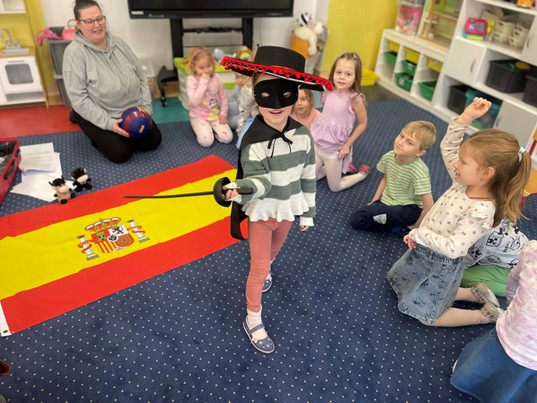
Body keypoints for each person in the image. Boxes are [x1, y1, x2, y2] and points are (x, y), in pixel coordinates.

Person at [220, 46, 332, 354]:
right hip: (262, 213)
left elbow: (308, 176)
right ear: (255, 92)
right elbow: (259, 180)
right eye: (266, 93)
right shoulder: (253, 141)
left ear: (296, 94)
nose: (276, 104)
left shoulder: (304, 137)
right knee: (258, 269)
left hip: (288, 211)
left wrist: (307, 213)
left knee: (273, 253)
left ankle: (268, 266)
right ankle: (253, 318)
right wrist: (239, 188)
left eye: (285, 93)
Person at [387, 97, 532, 327]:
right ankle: (472, 293)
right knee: (411, 283)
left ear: (487, 173)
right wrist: (466, 118)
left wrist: (420, 234)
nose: (456, 164)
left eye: (463, 162)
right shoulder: (463, 181)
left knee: (428, 317)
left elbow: (455, 248)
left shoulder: (481, 210)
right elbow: (448, 148)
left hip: (442, 261)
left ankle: (483, 315)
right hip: (428, 249)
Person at [63, 0, 162, 163]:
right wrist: (108, 124)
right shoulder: (74, 54)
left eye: (99, 18)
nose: (97, 25)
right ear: (78, 24)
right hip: (102, 113)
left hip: (131, 110)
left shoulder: (119, 44)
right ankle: (83, 122)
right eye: (89, 21)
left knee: (153, 142)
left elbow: (141, 77)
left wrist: (146, 109)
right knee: (121, 153)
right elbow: (79, 98)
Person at [451, 240, 537, 402]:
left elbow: (513, 282)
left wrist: (512, 307)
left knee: (484, 359)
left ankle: (468, 376)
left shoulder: (532, 251)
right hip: (525, 356)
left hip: (508, 335)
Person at [349, 120, 436, 233]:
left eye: (409, 143)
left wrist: (415, 228)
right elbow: (385, 179)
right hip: (387, 203)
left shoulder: (419, 171)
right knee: (356, 220)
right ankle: (396, 227)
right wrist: (375, 200)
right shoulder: (389, 157)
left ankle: (396, 222)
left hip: (409, 208)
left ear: (420, 152)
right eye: (401, 136)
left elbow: (429, 206)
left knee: (376, 211)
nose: (401, 142)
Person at [310, 52, 370, 192]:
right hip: (318, 145)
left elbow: (363, 123)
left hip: (334, 151)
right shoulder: (328, 90)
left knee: (335, 187)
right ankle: (331, 169)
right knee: (310, 179)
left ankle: (361, 174)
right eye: (338, 72)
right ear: (333, 73)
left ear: (355, 77)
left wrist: (347, 145)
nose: (342, 77)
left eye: (348, 74)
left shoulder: (355, 99)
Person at [461, 219, 528, 297]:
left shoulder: (484, 237)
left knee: (462, 277)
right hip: (522, 256)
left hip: (512, 268)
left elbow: (465, 262)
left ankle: (517, 291)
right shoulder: (496, 218)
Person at [187, 47, 233, 147]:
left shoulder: (217, 78)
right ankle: (202, 128)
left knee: (228, 138)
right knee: (206, 142)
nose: (206, 70)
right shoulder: (191, 80)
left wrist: (223, 114)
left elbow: (223, 98)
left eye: (208, 66)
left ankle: (213, 130)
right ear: (194, 66)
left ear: (213, 64)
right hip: (198, 116)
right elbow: (194, 102)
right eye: (201, 68)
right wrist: (203, 82)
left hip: (214, 115)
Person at [235, 74, 258, 149]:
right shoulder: (244, 90)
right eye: (237, 77)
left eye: (244, 76)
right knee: (241, 145)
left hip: (268, 121)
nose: (240, 80)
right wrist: (240, 131)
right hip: (252, 119)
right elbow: (244, 112)